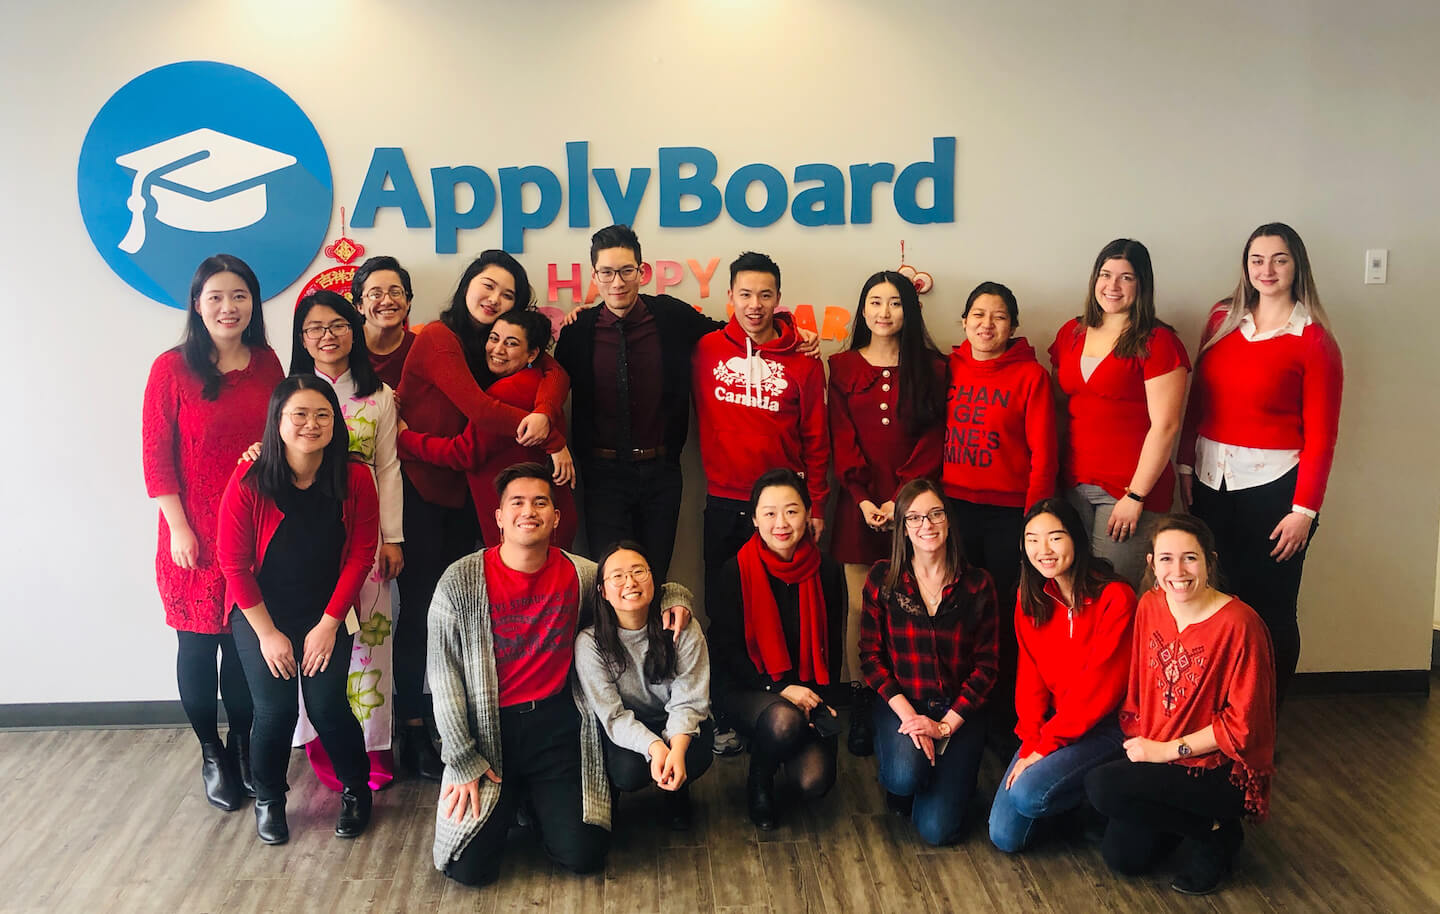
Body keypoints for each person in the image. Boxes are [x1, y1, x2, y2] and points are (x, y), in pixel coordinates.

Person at [427, 463, 693, 886]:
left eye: (540, 502)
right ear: (498, 516)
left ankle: (533, 801)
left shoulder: (581, 575)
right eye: (516, 503)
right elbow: (444, 681)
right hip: (489, 733)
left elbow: (632, 584)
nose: (528, 511)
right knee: (467, 868)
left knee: (585, 854)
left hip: (558, 727)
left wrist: (676, 597)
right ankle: (514, 798)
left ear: (555, 517)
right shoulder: (459, 582)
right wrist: (461, 759)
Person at [393, 250, 565, 779]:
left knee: (467, 613)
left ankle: (461, 722)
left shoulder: (490, 349)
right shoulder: (440, 340)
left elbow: (553, 369)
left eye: (508, 295)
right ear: (467, 285)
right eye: (487, 287)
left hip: (466, 497)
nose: (494, 301)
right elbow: (481, 412)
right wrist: (554, 437)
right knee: (422, 610)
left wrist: (548, 406)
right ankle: (414, 728)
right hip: (425, 490)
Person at [1178, 223, 1343, 706]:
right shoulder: (1221, 320)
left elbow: (1323, 437)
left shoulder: (1314, 340)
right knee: (1214, 601)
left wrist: (1304, 512)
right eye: (1257, 260)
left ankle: (1261, 720)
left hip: (1276, 493)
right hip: (1211, 483)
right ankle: (1217, 711)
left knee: (1268, 610)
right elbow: (1198, 402)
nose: (1267, 270)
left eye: (1279, 259)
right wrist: (1186, 468)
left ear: (1297, 267)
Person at [141, 254, 283, 812]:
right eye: (217, 296)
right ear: (198, 305)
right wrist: (178, 527)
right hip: (193, 532)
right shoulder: (171, 369)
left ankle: (243, 745)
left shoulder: (270, 363)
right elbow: (156, 459)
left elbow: (286, 435)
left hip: (256, 529)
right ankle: (210, 752)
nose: (229, 307)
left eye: (240, 295)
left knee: (245, 650)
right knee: (199, 647)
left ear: (253, 304)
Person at [216, 375, 380, 845]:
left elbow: (360, 554)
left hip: (326, 612)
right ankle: (269, 798)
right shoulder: (250, 478)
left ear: (335, 423)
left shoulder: (354, 476)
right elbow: (234, 564)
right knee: (274, 711)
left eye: (322, 415)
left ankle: (356, 789)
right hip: (260, 614)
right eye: (299, 415)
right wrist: (268, 634)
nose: (311, 424)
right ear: (278, 422)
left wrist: (329, 624)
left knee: (328, 706)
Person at [1085, 514, 1276, 896]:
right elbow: (1139, 688)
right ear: (1152, 564)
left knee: (1102, 787)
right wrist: (1145, 746)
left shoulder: (1241, 625)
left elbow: (1242, 727)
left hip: (1216, 768)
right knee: (1123, 858)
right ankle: (1202, 826)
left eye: (1190, 558)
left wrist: (1164, 751)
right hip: (1160, 756)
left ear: (1210, 561)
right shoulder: (1151, 606)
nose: (1179, 570)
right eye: (1167, 559)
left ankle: (1220, 832)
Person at [553, 225, 724, 581]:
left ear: (642, 272)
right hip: (601, 476)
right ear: (595, 276)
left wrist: (789, 330)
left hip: (661, 473)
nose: (617, 282)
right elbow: (547, 383)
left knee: (653, 578)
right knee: (611, 581)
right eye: (607, 273)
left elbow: (728, 335)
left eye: (626, 271)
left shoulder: (671, 317)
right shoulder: (578, 331)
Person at [828, 270, 947, 756]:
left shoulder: (934, 368)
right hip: (859, 503)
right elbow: (841, 437)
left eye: (894, 303)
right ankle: (862, 699)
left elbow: (934, 438)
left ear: (909, 310)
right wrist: (862, 498)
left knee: (914, 603)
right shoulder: (840, 366)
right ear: (862, 310)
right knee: (860, 608)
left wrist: (903, 502)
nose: (883, 312)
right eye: (874, 302)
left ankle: (907, 700)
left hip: (914, 506)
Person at [289, 290, 403, 790]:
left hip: (366, 536)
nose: (327, 335)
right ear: (302, 338)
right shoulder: (289, 392)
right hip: (306, 542)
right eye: (314, 327)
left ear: (353, 330)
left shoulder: (378, 394)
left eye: (337, 324)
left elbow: (389, 468)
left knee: (371, 646)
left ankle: (374, 749)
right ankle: (319, 743)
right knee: (316, 640)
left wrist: (392, 537)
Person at [943, 281, 1058, 744]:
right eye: (978, 314)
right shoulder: (947, 367)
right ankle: (959, 706)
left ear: (1013, 326)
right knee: (957, 611)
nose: (987, 324)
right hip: (953, 509)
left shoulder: (1031, 376)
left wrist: (1036, 524)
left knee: (1008, 614)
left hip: (1010, 514)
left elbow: (1044, 455)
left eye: (999, 317)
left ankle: (1006, 713)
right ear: (964, 321)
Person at [988, 498, 1135, 853]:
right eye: (1032, 539)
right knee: (1003, 836)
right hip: (1059, 723)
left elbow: (1099, 691)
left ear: (1077, 540)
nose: (1044, 550)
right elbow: (1031, 683)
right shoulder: (1031, 599)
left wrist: (1045, 750)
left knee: (1028, 793)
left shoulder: (1115, 597)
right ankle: (1075, 795)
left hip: (1108, 725)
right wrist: (1030, 742)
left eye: (1055, 537)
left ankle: (1103, 793)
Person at [858, 479, 998, 846]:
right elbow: (871, 659)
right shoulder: (882, 579)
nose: (927, 525)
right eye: (915, 517)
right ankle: (909, 774)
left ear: (949, 521)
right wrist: (911, 719)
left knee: (937, 832)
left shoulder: (978, 584)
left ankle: (945, 775)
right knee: (903, 777)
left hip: (959, 712)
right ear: (902, 527)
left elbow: (987, 668)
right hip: (904, 705)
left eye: (936, 514)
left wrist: (945, 727)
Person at [692, 252, 831, 621]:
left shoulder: (805, 358)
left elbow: (817, 436)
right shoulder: (706, 349)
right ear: (731, 296)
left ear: (778, 297)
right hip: (724, 499)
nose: (755, 305)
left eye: (766, 295)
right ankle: (726, 680)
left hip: (783, 507)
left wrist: (815, 502)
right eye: (746, 294)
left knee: (783, 608)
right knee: (722, 608)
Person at [708, 469, 846, 830]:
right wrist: (779, 690)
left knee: (814, 781)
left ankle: (778, 740)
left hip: (805, 686)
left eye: (791, 510)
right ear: (754, 518)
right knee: (783, 719)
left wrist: (824, 698)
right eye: (769, 513)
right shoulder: (735, 571)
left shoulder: (827, 571)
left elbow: (831, 647)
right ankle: (760, 778)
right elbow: (726, 652)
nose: (781, 523)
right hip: (746, 687)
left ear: (807, 513)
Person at [1049, 239, 1190, 587]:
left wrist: (1136, 496)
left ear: (1141, 284)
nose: (1112, 286)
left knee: (1113, 595)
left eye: (1126, 278)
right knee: (1074, 587)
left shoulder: (1157, 342)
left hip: (1128, 493)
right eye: (1105, 274)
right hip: (1073, 483)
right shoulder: (1071, 333)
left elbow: (1166, 426)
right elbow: (1058, 409)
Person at [399, 310, 579, 548]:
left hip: (522, 524)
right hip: (541, 517)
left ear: (533, 353)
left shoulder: (508, 391)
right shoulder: (538, 382)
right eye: (494, 338)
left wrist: (404, 439)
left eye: (511, 343)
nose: (498, 349)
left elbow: (464, 453)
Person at [574, 541, 714, 830]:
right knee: (628, 771)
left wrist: (675, 749)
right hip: (627, 723)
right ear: (602, 590)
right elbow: (612, 715)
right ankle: (613, 796)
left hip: (673, 717)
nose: (630, 582)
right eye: (617, 576)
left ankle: (677, 792)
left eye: (639, 571)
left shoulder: (681, 627)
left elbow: (690, 699)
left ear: (654, 579)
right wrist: (654, 748)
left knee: (695, 755)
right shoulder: (590, 643)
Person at [352, 255, 417, 389]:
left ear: (408, 301)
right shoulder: (345, 346)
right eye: (376, 294)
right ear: (359, 305)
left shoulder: (420, 348)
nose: (387, 301)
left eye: (395, 292)